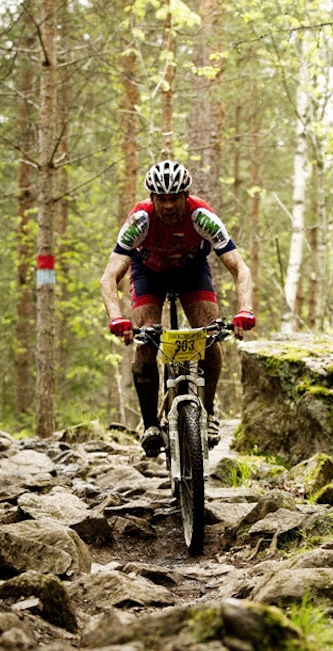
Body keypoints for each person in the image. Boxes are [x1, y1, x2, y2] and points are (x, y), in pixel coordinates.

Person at [99, 159, 256, 457]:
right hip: (149, 274)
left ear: (186, 196)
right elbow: (109, 276)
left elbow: (239, 267)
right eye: (161, 199)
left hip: (191, 271)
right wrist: (116, 317)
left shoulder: (202, 216)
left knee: (209, 333)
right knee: (145, 342)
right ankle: (150, 426)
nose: (168, 206)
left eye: (174, 198)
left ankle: (208, 411)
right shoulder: (140, 221)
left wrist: (245, 308)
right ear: (152, 198)